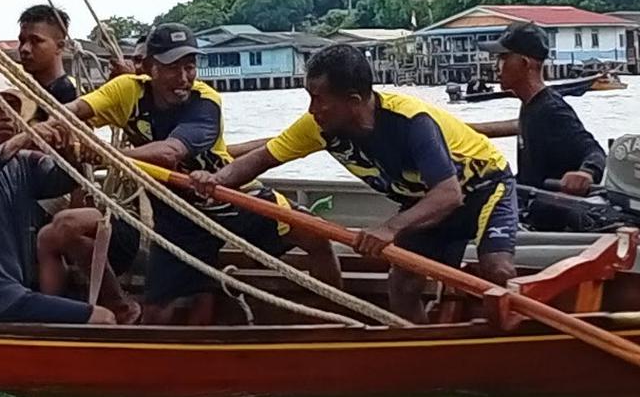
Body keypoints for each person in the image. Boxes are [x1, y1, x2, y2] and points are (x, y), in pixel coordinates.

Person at [191, 44, 517, 324]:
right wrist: (216, 180)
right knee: (402, 283)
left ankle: (507, 340)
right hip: (425, 201)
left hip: (483, 187)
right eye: (309, 97)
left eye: (319, 99)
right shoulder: (317, 126)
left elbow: (448, 194)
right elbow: (262, 159)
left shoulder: (411, 122)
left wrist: (390, 228)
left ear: (354, 100)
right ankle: (419, 348)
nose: (312, 109)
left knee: (496, 269)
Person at [58, 22, 343, 325]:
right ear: (151, 68)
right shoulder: (126, 92)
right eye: (172, 68)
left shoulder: (205, 101)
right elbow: (68, 110)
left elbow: (170, 154)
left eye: (190, 67)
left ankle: (338, 323)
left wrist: (104, 155)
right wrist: (58, 131)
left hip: (228, 197)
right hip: (178, 215)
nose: (183, 78)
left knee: (315, 236)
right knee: (156, 316)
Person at [0, 71, 114, 324]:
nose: (6, 114)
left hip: (13, 295)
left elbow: (61, 180)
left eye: (12, 107)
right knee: (104, 319)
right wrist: (24, 138)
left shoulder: (24, 163)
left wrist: (71, 154)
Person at [480, 21, 606, 197]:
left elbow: (595, 152)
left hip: (552, 213)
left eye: (503, 58)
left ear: (524, 63)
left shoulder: (552, 110)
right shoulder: (530, 105)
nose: (496, 66)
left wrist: (587, 172)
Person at [18, 4, 79, 121]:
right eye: (22, 41)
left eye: (36, 41)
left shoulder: (72, 95)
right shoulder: (21, 91)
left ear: (60, 47)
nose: (24, 48)